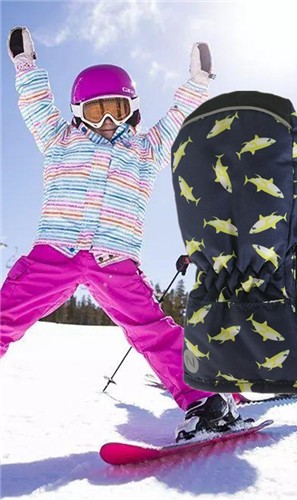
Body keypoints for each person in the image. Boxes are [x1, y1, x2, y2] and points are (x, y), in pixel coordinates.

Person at [1, 26, 243, 442]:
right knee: (5, 316)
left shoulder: (146, 150)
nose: (108, 121)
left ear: (132, 109)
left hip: (115, 260)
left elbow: (178, 120)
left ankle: (206, 399)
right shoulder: (59, 140)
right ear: (79, 113)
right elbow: (36, 105)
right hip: (54, 253)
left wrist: (198, 83)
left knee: (150, 329)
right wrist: (26, 66)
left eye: (116, 108)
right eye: (96, 112)